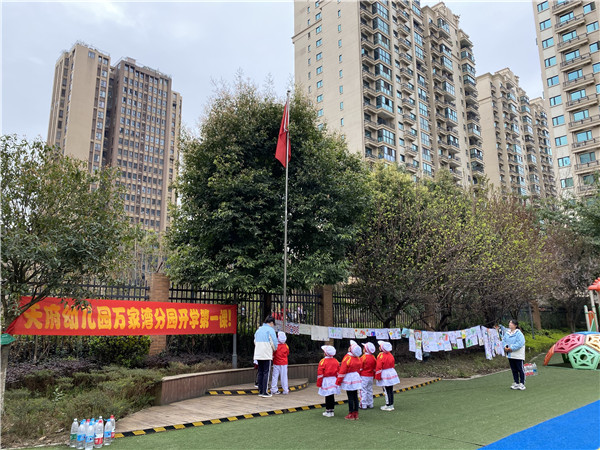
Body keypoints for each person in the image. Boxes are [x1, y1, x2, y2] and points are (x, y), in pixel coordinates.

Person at [337, 340, 363, 420]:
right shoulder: (358, 358)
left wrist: (338, 381)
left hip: (349, 378)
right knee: (355, 396)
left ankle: (351, 413)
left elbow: (342, 370)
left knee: (350, 397)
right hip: (356, 377)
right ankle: (356, 413)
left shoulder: (347, 358)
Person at [497, 320, 526, 390]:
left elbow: (520, 343)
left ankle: (522, 383)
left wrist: (511, 348)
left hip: (518, 355)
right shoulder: (507, 333)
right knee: (514, 369)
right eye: (509, 323)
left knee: (520, 369)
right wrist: (505, 347)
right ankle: (516, 382)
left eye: (511, 323)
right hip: (510, 355)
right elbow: (504, 341)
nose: (509, 324)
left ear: (515, 325)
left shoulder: (519, 333)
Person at [253, 316, 278, 398]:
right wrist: (274, 349)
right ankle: (264, 391)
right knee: (266, 372)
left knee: (260, 371)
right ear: (271, 323)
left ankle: (260, 390)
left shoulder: (258, 330)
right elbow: (274, 343)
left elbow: (255, 341)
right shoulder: (270, 330)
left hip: (258, 353)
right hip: (266, 354)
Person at [375, 340, 400, 411]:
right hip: (391, 372)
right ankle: (391, 404)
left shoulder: (381, 356)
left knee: (386, 390)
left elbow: (379, 367)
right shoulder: (390, 354)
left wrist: (377, 377)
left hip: (384, 373)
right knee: (390, 390)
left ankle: (388, 405)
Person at [317, 345, 340, 418]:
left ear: (326, 353)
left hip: (326, 380)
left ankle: (328, 411)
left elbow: (320, 374)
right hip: (334, 380)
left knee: (327, 396)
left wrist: (319, 383)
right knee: (332, 396)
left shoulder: (322, 361)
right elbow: (338, 372)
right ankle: (332, 410)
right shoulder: (336, 361)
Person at [359, 342, 377, 410]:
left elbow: (360, 368)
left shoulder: (363, 357)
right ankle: (370, 403)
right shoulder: (373, 357)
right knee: (369, 390)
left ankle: (363, 404)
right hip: (371, 376)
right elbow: (375, 368)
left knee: (363, 390)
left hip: (363, 376)